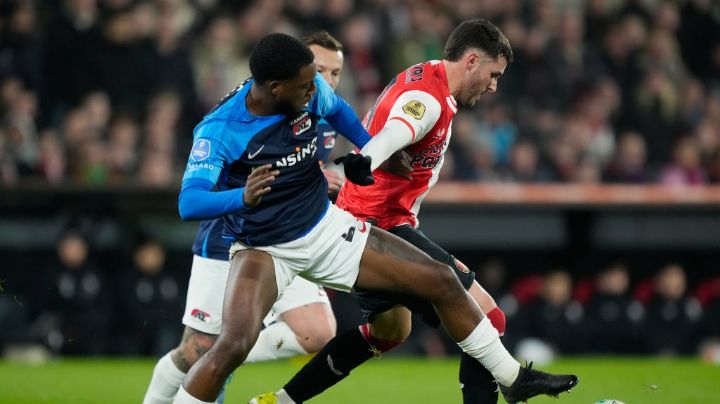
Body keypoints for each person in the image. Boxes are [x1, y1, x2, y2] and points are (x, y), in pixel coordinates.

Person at [172, 32, 578, 404]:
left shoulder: (307, 92)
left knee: (436, 284)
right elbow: (189, 203)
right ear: (275, 88)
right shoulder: (219, 131)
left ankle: (512, 378)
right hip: (264, 247)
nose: (317, 90)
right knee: (232, 346)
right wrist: (240, 196)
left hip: (326, 230)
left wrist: (367, 148)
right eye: (306, 85)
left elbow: (343, 111)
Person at [143, 31, 348, 404]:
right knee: (195, 350)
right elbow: (194, 198)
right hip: (228, 234)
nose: (326, 83)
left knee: (317, 332)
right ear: (283, 79)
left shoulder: (319, 112)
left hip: (285, 237)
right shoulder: (235, 118)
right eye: (319, 71)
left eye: (335, 73)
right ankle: (188, 372)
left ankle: (223, 355)